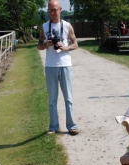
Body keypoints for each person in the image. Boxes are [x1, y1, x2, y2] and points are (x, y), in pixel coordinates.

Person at [37, 0, 79, 135]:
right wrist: (46, 44)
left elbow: (75, 44)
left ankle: (72, 126)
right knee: (52, 99)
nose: (52, 13)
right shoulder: (44, 27)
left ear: (60, 10)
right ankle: (53, 127)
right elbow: (39, 46)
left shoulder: (67, 26)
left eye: (55, 10)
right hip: (50, 66)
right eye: (50, 10)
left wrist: (65, 47)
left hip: (65, 64)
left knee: (69, 98)